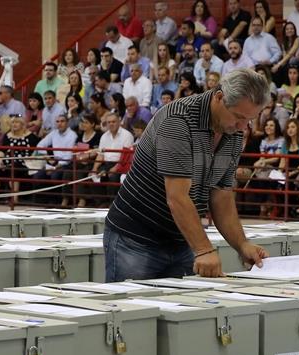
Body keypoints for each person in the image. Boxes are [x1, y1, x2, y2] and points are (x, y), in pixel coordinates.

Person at [104, 68, 271, 280]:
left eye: (249, 120)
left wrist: (242, 244)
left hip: (180, 239)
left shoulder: (233, 131)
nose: (242, 127)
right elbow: (177, 197)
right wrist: (204, 250)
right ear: (219, 97)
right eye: (238, 117)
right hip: (136, 239)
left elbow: (221, 195)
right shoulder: (178, 120)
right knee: (131, 310)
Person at [34, 115, 79, 206]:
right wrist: (47, 157)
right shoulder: (54, 133)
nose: (59, 124)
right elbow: (40, 145)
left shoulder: (72, 135)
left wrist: (55, 167)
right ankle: (44, 201)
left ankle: (57, 201)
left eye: (62, 121)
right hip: (53, 161)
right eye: (57, 122)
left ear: (67, 123)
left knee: (55, 176)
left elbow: (69, 156)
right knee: (38, 176)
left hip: (67, 163)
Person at [0, 115, 40, 205]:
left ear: (22, 124)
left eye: (17, 122)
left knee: (15, 167)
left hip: (25, 162)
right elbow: (2, 150)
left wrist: (31, 158)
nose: (14, 124)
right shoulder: (8, 135)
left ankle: (14, 197)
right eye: (13, 122)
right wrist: (0, 159)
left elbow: (37, 151)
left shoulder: (30, 136)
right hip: (9, 160)